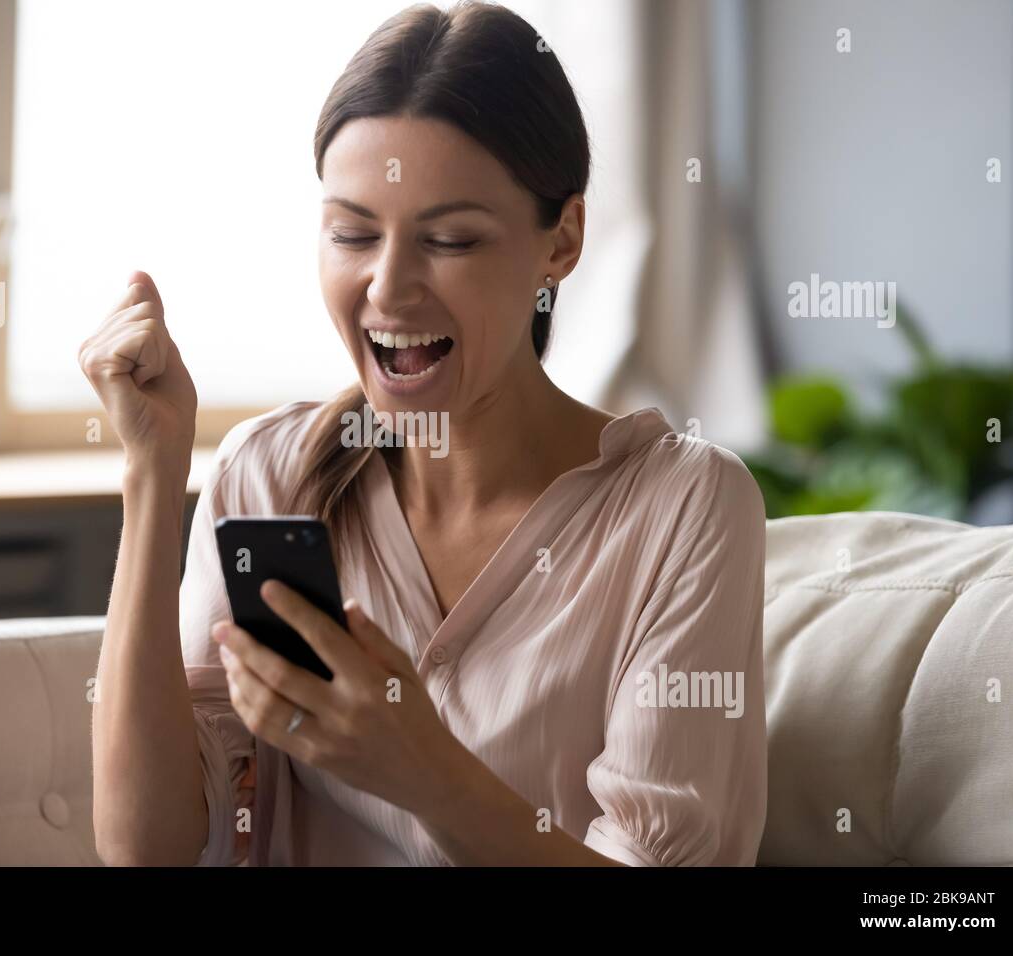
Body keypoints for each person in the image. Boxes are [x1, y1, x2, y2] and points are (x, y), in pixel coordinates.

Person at [82, 0, 767, 866]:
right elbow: (149, 847)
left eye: (449, 239)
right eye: (352, 233)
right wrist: (151, 476)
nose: (388, 288)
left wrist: (422, 767)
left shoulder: (683, 507)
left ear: (561, 242)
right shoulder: (267, 477)